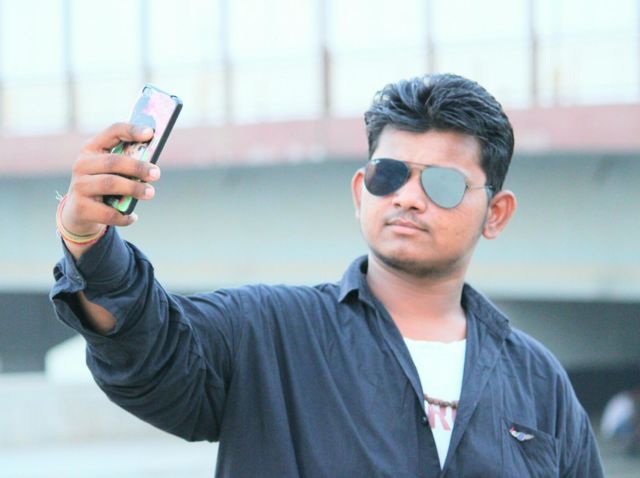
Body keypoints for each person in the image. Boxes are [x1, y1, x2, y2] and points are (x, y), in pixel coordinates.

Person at [50, 73, 604, 477]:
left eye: (442, 184)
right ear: (362, 192)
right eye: (390, 175)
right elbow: (149, 351)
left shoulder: (539, 381)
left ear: (496, 214)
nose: (408, 198)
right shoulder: (267, 333)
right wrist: (88, 240)